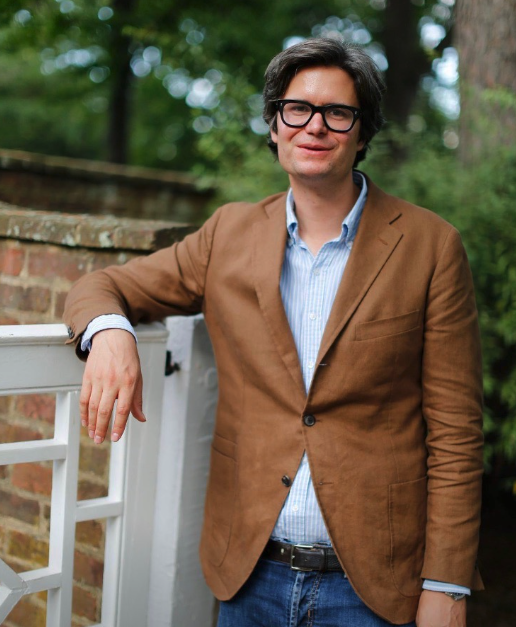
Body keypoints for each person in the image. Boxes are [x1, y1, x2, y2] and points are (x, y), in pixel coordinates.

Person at [64, 38, 483, 627]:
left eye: (338, 113)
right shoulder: (227, 235)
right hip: (250, 575)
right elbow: (100, 287)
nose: (315, 127)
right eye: (297, 109)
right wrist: (111, 335)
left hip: (376, 587)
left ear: (363, 133)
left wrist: (448, 584)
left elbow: (457, 433)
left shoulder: (430, 246)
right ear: (274, 125)